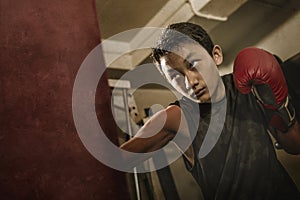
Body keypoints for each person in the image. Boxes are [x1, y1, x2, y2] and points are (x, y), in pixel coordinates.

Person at [120, 22, 300, 199]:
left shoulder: (247, 88)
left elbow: (294, 145)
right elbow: (116, 161)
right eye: (175, 75)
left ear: (216, 55)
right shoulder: (176, 117)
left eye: (193, 64)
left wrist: (280, 105)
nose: (191, 81)